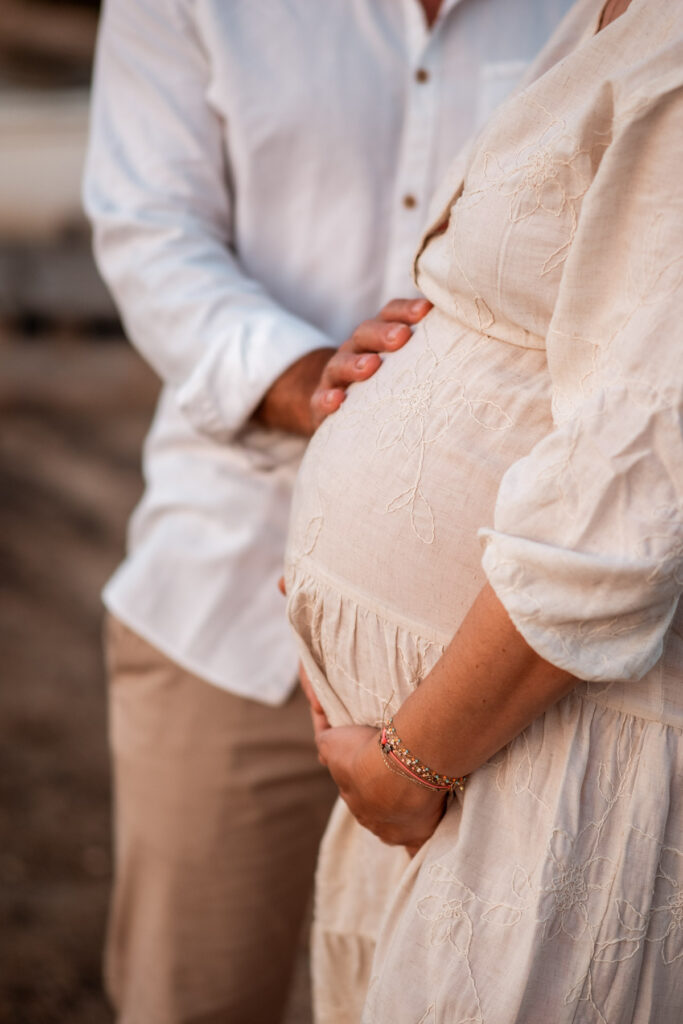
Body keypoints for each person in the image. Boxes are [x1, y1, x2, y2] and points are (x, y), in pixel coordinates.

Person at [83, 1, 576, 1021]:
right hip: (224, 617)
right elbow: (150, 231)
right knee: (198, 993)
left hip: (490, 660)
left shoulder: (601, 11)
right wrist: (300, 377)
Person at [284, 0, 683, 1020]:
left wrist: (407, 764)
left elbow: (632, 493)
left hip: (536, 763)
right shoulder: (605, 11)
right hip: (466, 762)